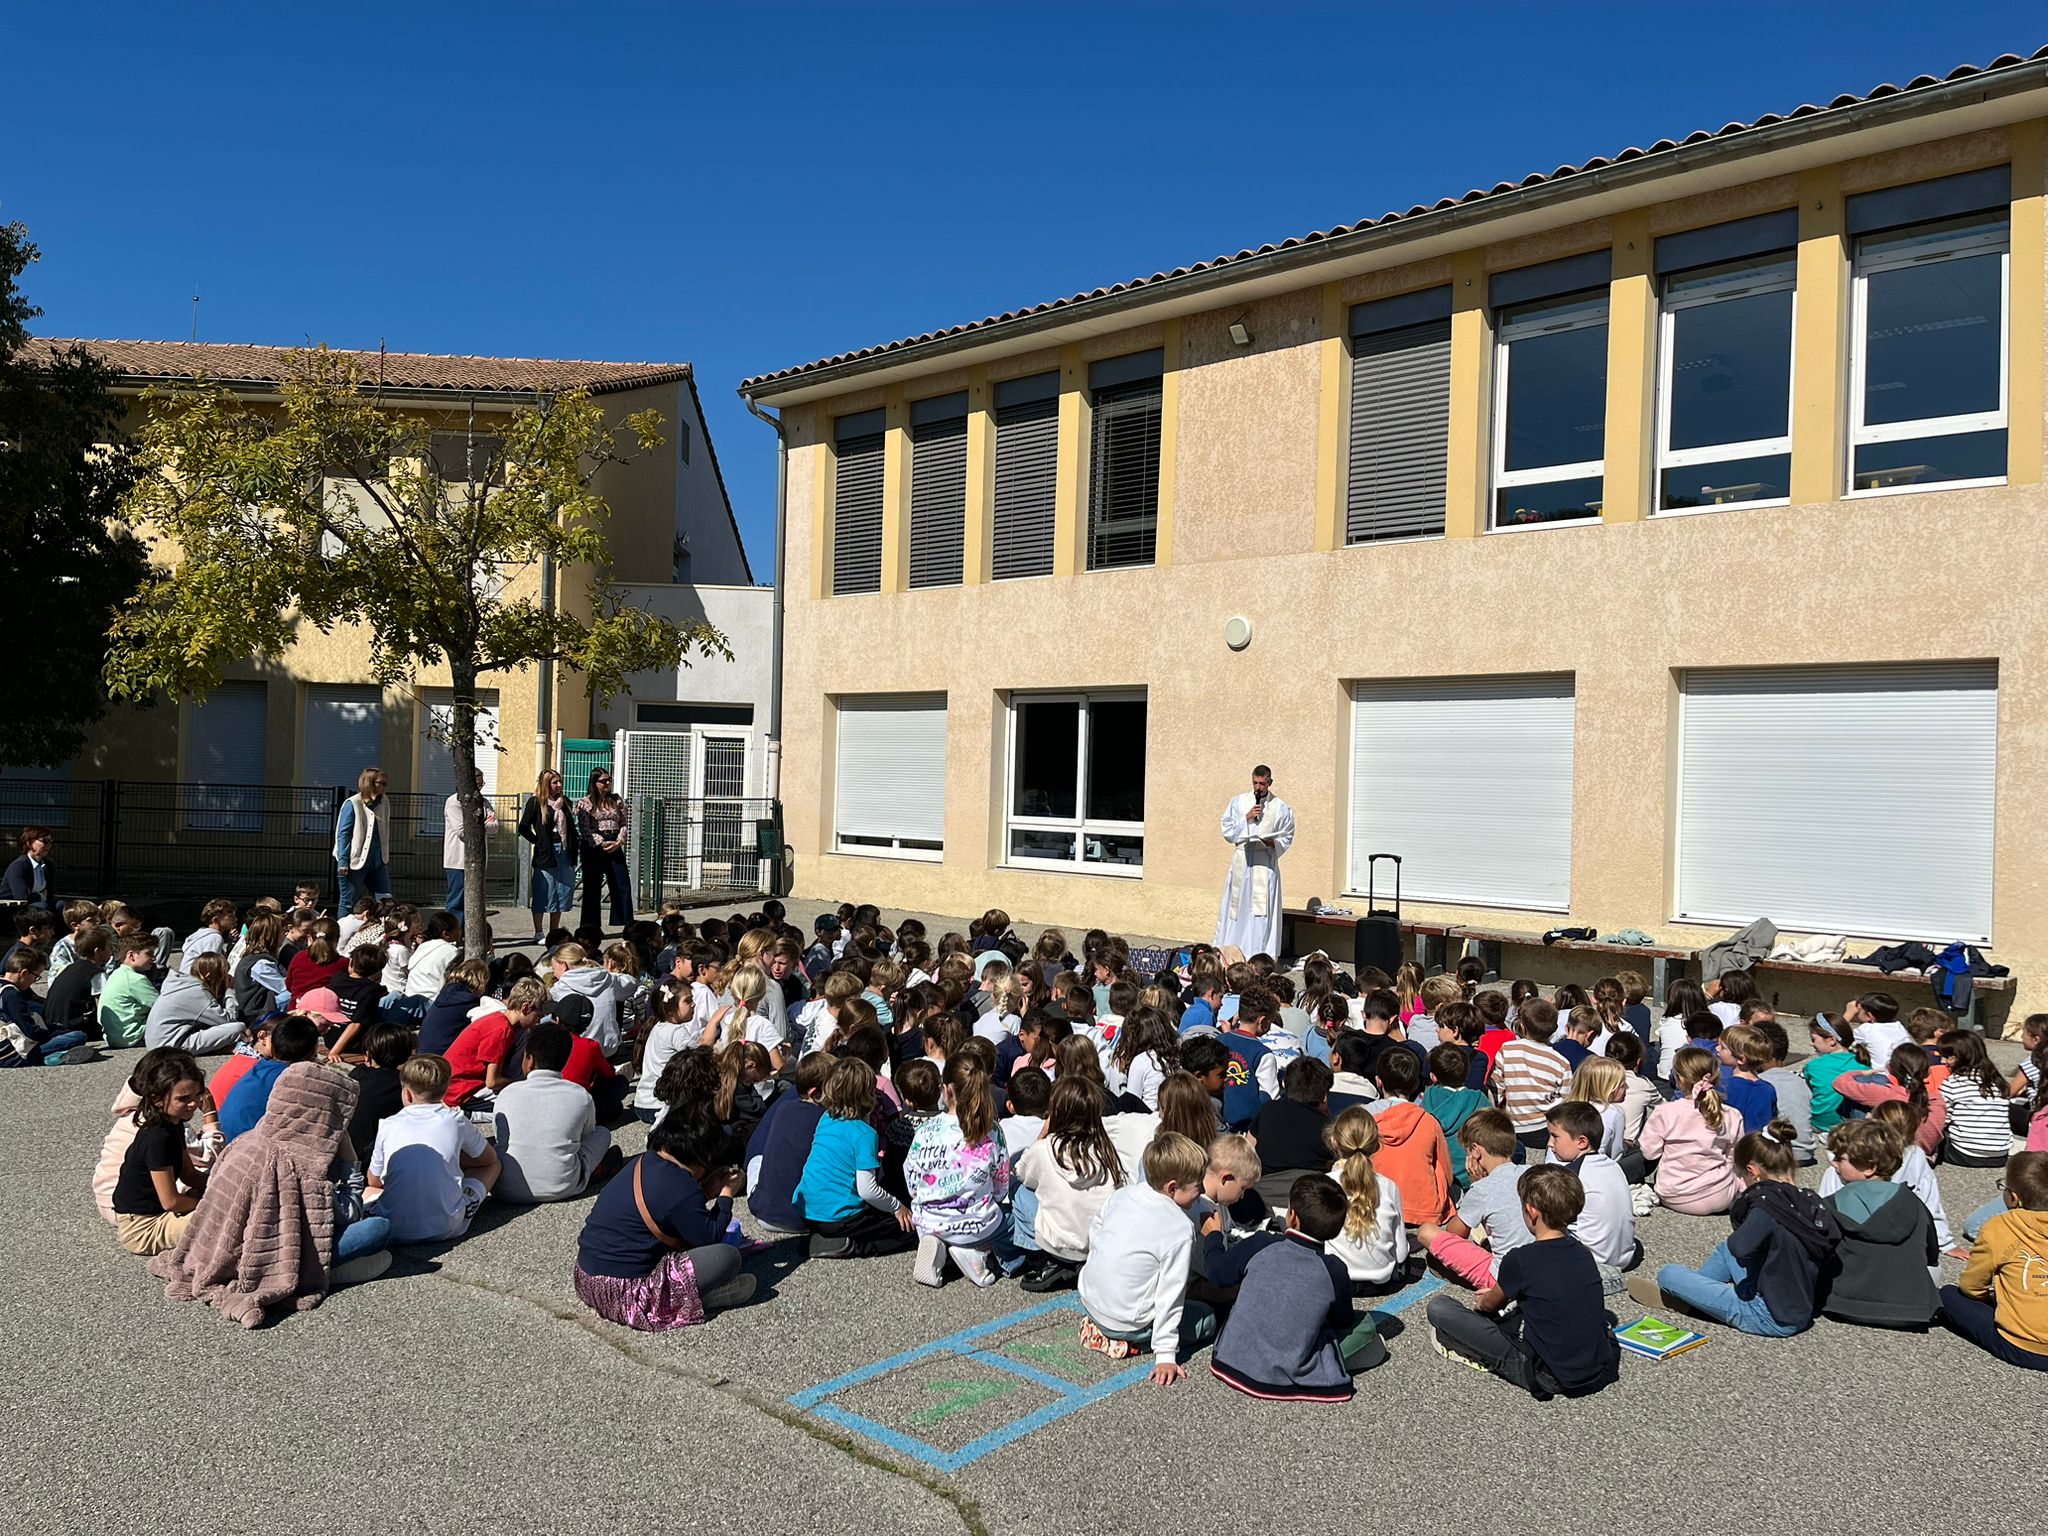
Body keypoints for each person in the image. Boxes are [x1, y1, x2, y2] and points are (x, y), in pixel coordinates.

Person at [150, 1061, 394, 1323]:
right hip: (284, 1255)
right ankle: (321, 1272)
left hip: (222, 1248)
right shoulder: (301, 1165)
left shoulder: (245, 1141)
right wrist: (349, 1158)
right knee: (378, 1228)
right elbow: (350, 1213)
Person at [1424, 1164, 1621, 1399]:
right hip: (1596, 1367)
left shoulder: (1520, 1259)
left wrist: (1486, 1299)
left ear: (1531, 1211)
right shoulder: (1582, 1253)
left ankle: (1474, 1353)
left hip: (1544, 1375)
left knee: (1440, 1308)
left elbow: (1488, 1307)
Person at [1630, 1120, 1837, 1336]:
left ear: (1753, 1171)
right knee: (1725, 1250)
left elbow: (1740, 1247)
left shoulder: (1769, 1206)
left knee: (1668, 1274)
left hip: (1766, 1315)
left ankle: (1692, 1298)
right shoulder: (1809, 1200)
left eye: (1742, 1176)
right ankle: (1697, 1293)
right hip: (1800, 1308)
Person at [572, 1102, 757, 1330]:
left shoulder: (646, 1161)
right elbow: (710, 1236)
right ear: (701, 1156)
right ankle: (691, 1301)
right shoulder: (680, 1187)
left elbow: (670, 1208)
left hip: (587, 1278)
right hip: (625, 1293)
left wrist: (707, 1189)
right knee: (728, 1257)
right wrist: (727, 1194)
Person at [1210, 1174, 1382, 1402]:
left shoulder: (1261, 1243)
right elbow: (1343, 1320)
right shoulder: (1333, 1269)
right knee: (1365, 1327)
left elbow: (1217, 1273)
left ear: (1292, 1217)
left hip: (1229, 1361)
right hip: (1287, 1376)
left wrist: (1212, 1235)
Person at [1076, 1132, 1216, 1384]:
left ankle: (1106, 1328)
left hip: (1091, 1300)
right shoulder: (1179, 1229)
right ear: (1172, 1188)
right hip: (1127, 1321)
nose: (1203, 1190)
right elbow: (1169, 1295)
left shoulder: (1123, 1195)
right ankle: (1134, 1343)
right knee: (1207, 1319)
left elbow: (1095, 1233)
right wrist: (1165, 1354)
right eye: (1198, 1186)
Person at [367, 1053, 502, 1242]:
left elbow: (374, 1181)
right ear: (445, 1091)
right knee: (495, 1165)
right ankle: (465, 1202)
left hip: (393, 1228)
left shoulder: (388, 1124)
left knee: (367, 1192)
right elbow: (489, 1159)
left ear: (407, 1093)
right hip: (447, 1226)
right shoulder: (456, 1120)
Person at [1820, 1119, 1939, 1328]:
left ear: (1869, 1167)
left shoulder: (1832, 1205)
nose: (1833, 1163)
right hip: (1912, 1310)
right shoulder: (1915, 1204)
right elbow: (1931, 1253)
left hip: (1845, 1305)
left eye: (1840, 1158)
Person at [904, 1053, 1009, 1287]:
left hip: (930, 1220)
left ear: (947, 1090)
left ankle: (937, 1241)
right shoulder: (991, 1130)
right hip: (977, 1224)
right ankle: (976, 1251)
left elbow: (912, 1181)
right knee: (1016, 1221)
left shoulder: (924, 1131)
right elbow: (1001, 1189)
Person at [796, 1058, 915, 1259]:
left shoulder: (826, 1118)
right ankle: (851, 1245)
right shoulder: (865, 1134)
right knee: (908, 1229)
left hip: (807, 1211)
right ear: (867, 1096)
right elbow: (867, 1189)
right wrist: (898, 1207)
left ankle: (828, 1237)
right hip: (839, 1218)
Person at [1016, 1075, 1126, 1290]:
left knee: (1023, 1193)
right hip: (1099, 1243)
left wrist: (1044, 1133)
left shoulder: (1045, 1148)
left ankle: (1042, 1259)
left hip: (1060, 1246)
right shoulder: (1106, 1147)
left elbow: (1020, 1172)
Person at [1940, 1152, 2048, 1370]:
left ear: (2013, 1198)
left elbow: (1972, 1287)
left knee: (1948, 1295)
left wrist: (1991, 1299)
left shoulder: (2000, 1227)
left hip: (2023, 1347)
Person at [493, 1022, 619, 1203]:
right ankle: (590, 1170)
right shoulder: (579, 1095)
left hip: (505, 1189)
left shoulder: (507, 1093)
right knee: (602, 1133)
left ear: (529, 1060)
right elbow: (587, 1134)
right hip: (562, 1187)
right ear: (564, 1061)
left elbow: (500, 1138)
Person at [1416, 1109, 1533, 1290]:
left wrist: (1475, 1186)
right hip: (1537, 1265)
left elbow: (1455, 1234)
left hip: (1503, 1279)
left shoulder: (1482, 1189)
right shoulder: (1531, 1172)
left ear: (1476, 1152)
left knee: (1426, 1232)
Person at [111, 1054, 211, 1255]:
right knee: (221, 1218)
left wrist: (221, 1185)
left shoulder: (174, 1124)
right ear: (157, 1099)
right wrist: (212, 1202)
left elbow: (189, 1175)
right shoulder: (157, 1138)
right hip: (142, 1228)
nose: (193, 1104)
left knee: (225, 1202)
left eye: (197, 1096)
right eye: (183, 1099)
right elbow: (171, 1201)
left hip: (158, 1213)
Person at [1640, 1046, 1744, 1215]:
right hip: (1720, 1194)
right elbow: (1734, 1156)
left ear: (1679, 1079)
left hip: (1675, 1194)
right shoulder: (1732, 1114)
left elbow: (1650, 1152)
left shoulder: (1665, 1112)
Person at [1544, 1101, 1638, 1273]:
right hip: (1625, 1257)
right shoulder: (1613, 1166)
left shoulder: (1571, 1176)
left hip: (1589, 1261)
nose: (1550, 1143)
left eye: (1555, 1136)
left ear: (1581, 1142)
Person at [1213, 765, 1294, 958]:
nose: (1258, 787)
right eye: (1255, 783)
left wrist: (1272, 842)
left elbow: (1287, 835)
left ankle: (1258, 956)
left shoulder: (1281, 807)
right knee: (1237, 908)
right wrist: (1246, 819)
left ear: (1270, 783)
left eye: (1262, 783)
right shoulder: (1239, 802)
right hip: (1242, 860)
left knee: (1261, 912)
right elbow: (1227, 830)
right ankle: (1231, 953)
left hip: (1264, 863)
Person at [1322, 1106, 1407, 1288]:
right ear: (1376, 1145)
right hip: (1381, 1281)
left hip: (1337, 1279)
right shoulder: (1390, 1186)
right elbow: (1401, 1253)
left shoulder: (1324, 1183)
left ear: (1334, 1142)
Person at [1369, 1047, 1455, 1224]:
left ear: (1378, 1081)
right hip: (1423, 1211)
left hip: (1375, 1204)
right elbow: (1445, 1171)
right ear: (1416, 1084)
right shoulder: (1428, 1121)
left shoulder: (1363, 1117)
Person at [444, 976, 548, 1112]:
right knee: (520, 1105)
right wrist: (520, 1084)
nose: (538, 1022)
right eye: (538, 1016)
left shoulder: (497, 1020)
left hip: (450, 1083)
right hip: (460, 1091)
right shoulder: (501, 1031)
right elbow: (492, 1082)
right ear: (525, 1008)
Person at [219, 1014, 321, 1141]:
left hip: (225, 1141)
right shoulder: (294, 1078)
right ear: (312, 1052)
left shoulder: (259, 1067)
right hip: (247, 1149)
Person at [1491, 997, 1571, 1155]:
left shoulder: (1507, 1049)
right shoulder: (1561, 1062)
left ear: (1522, 1026)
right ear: (1554, 1029)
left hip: (1512, 1124)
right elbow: (1565, 1101)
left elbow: (1496, 1088)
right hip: (1543, 1128)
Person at [0, 945, 94, 1066]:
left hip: (7, 1046)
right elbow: (31, 1032)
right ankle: (46, 1058)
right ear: (24, 973)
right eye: (36, 977)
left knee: (59, 1028)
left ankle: (53, 1054)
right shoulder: (12, 996)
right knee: (78, 1036)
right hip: (13, 1053)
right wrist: (55, 1034)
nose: (34, 981)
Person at [1936, 1030, 2013, 1168]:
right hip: (2000, 1154)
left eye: (1948, 1056)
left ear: (1963, 1056)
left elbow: (1941, 1121)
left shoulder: (1953, 1083)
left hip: (1965, 1154)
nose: (1943, 1061)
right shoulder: (1996, 1081)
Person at [518, 769, 577, 943]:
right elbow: (523, 827)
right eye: (555, 782)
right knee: (544, 891)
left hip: (564, 850)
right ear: (546, 785)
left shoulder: (565, 802)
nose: (559, 785)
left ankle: (554, 931)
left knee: (560, 892)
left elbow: (571, 827)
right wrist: (538, 841)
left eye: (560, 781)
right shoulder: (536, 803)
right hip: (546, 853)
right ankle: (538, 932)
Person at [143, 953, 241, 1055]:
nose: (227, 978)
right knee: (238, 1028)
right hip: (168, 1046)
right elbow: (228, 1020)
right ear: (209, 976)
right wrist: (230, 991)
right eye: (223, 975)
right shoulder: (197, 992)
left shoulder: (183, 984)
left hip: (157, 1042)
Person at [1420, 1043, 1488, 1189]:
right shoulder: (1478, 1099)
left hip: (1439, 1175)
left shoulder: (1428, 1098)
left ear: (1433, 1077)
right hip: (1473, 1174)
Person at [574, 767, 632, 933]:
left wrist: (619, 841)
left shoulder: (616, 800)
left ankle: (625, 921)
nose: (607, 783)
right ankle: (591, 926)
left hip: (614, 842)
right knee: (592, 886)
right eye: (603, 781)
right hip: (594, 846)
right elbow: (585, 829)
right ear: (594, 782)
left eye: (609, 780)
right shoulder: (585, 803)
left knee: (622, 883)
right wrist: (601, 842)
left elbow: (623, 822)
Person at [344, 1022, 412, 1163]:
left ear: (368, 1055)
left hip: (347, 1150)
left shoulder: (358, 1074)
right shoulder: (403, 1084)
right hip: (374, 1156)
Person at [333, 767, 393, 915]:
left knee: (386, 900)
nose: (385, 786)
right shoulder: (352, 803)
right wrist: (343, 861)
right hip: (355, 862)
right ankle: (342, 935)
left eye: (386, 783)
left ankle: (385, 932)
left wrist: (383, 856)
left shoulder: (384, 802)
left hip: (377, 861)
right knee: (349, 902)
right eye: (382, 783)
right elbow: (343, 834)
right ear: (370, 783)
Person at [442, 769, 497, 918]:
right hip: (458, 860)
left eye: (481, 785)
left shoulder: (483, 801)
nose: (480, 788)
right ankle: (453, 934)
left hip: (478, 858)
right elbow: (462, 832)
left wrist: (477, 825)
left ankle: (467, 934)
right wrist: (483, 823)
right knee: (457, 900)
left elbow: (494, 826)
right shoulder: (453, 802)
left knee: (475, 900)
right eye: (477, 785)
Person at [550, 942, 621, 1059]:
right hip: (609, 1046)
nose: (553, 972)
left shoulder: (561, 987)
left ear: (563, 965)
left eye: (554, 968)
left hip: (581, 1050)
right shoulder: (607, 977)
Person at [100, 931, 164, 1049]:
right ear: (131, 956)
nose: (154, 958)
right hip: (132, 1036)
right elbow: (162, 1006)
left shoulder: (118, 973)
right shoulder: (135, 979)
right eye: (149, 954)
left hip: (116, 1037)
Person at [0, 824, 55, 906]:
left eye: (50, 841)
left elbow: (50, 894)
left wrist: (42, 897)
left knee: (62, 906)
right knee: (42, 907)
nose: (49, 845)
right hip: (13, 908)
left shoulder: (48, 865)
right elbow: (22, 897)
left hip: (37, 903)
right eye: (44, 841)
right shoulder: (18, 866)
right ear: (29, 843)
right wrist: (41, 896)